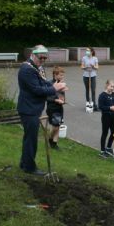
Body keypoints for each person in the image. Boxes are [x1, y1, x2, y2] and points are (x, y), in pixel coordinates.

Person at [18, 45, 67, 175]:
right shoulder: (27, 69)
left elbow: (43, 83)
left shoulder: (37, 67)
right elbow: (37, 90)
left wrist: (55, 86)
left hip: (33, 108)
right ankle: (29, 167)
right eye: (41, 58)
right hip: (29, 109)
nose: (43, 60)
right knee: (31, 139)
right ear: (33, 55)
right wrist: (55, 88)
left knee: (29, 138)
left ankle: (24, 163)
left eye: (45, 58)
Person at [98, 80, 114, 158]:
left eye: (113, 87)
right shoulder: (102, 95)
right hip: (105, 117)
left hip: (112, 117)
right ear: (106, 85)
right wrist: (110, 108)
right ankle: (102, 151)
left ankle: (108, 147)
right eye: (111, 86)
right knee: (105, 133)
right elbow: (100, 107)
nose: (112, 88)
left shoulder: (113, 95)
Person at [46, 66, 66, 150]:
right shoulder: (49, 84)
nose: (62, 77)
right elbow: (47, 97)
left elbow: (62, 96)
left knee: (58, 125)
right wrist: (56, 100)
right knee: (55, 126)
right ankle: (50, 139)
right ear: (55, 75)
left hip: (59, 108)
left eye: (62, 75)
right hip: (52, 108)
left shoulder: (62, 84)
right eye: (60, 75)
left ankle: (54, 144)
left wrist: (63, 100)